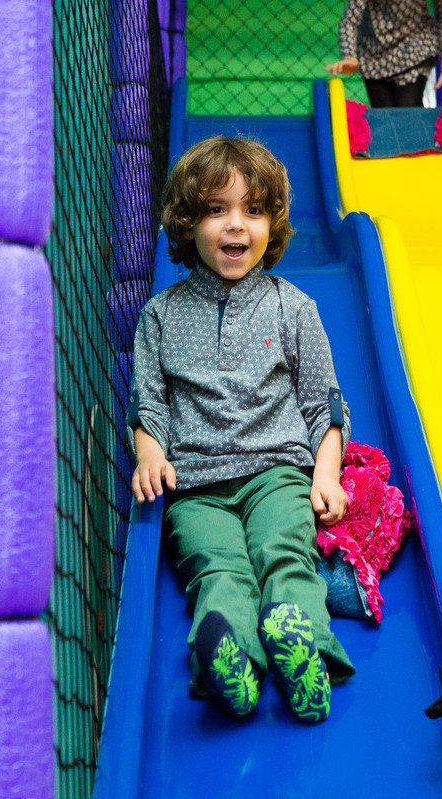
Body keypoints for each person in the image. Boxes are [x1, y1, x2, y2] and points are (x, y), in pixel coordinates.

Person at [127, 136, 355, 723]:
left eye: (253, 211)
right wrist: (150, 456)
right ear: (187, 221)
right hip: (197, 488)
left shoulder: (293, 307)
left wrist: (324, 475)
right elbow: (147, 405)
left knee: (282, 553)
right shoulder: (160, 315)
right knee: (217, 568)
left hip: (277, 473)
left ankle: (302, 646)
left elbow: (324, 405)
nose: (236, 226)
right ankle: (230, 660)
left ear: (272, 224)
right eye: (216, 210)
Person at [325, 0, 442, 108]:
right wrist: (350, 56)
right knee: (384, 116)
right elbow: (349, 21)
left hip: (415, 44)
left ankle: (418, 143)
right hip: (374, 53)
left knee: (408, 107)